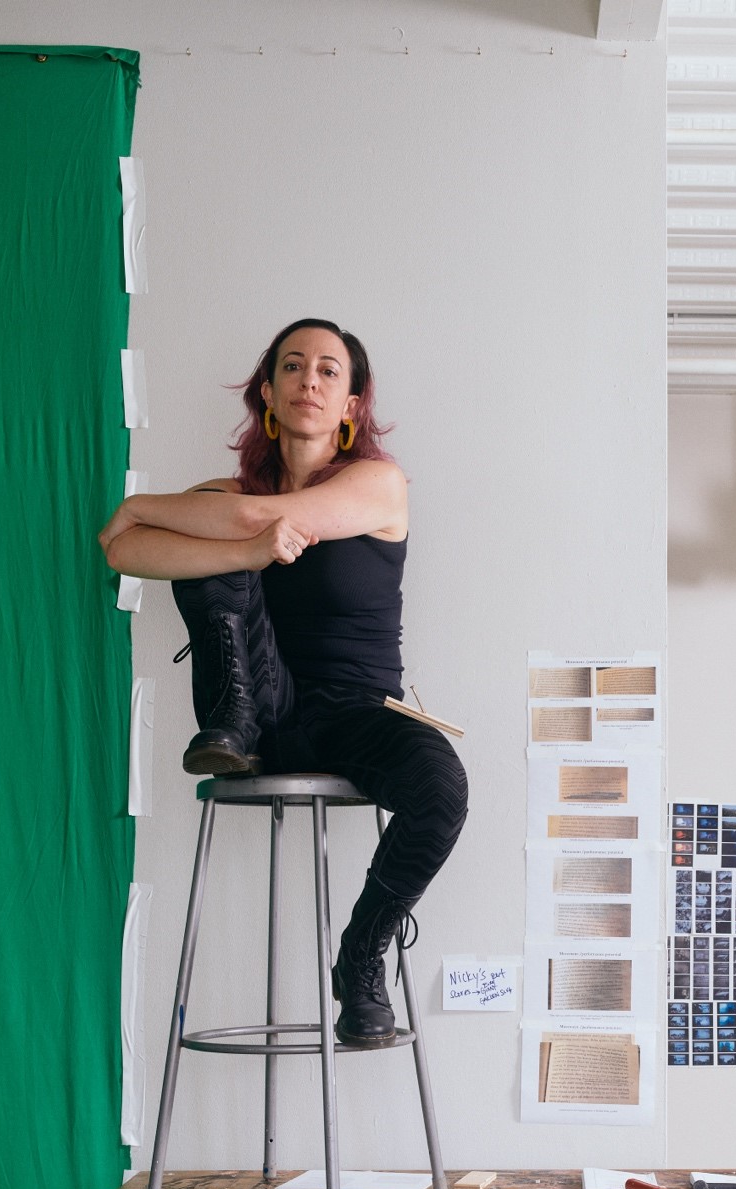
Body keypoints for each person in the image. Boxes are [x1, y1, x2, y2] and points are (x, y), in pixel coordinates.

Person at [100, 319, 468, 1048]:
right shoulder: (225, 498)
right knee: (216, 553)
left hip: (356, 714)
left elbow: (234, 515)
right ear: (266, 392)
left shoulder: (377, 485)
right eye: (293, 367)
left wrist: (146, 505)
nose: (310, 381)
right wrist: (242, 549)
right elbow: (123, 550)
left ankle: (362, 958)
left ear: (352, 404)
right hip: (260, 714)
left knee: (442, 788)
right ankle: (230, 720)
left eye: (329, 371)